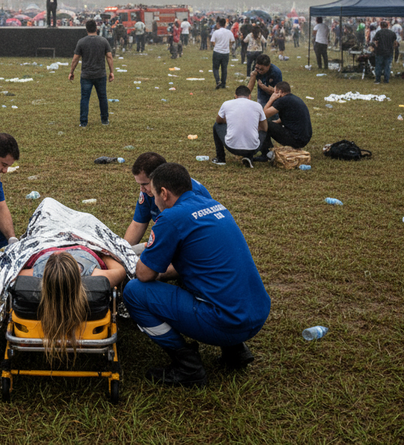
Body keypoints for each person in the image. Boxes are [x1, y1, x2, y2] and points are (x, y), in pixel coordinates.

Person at [123, 162, 271, 387]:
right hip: (257, 313)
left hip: (227, 322)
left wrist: (153, 270)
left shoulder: (170, 218)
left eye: (152, 193)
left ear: (164, 193)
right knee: (205, 274)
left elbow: (144, 274)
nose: (151, 199)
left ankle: (188, 367)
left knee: (134, 291)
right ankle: (234, 350)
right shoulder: (214, 205)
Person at [18, 247, 126, 364]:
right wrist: (104, 254)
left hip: (47, 249)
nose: (60, 251)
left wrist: (25, 255)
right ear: (78, 270)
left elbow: (10, 273)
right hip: (82, 248)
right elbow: (120, 270)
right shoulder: (97, 275)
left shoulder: (33, 274)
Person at [124, 152, 212, 255]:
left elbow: (193, 241)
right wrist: (122, 252)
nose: (142, 189)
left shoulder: (189, 193)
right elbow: (138, 224)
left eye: (144, 184)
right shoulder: (148, 192)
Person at [68, 19, 114, 128]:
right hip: (100, 74)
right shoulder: (103, 41)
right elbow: (109, 57)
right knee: (102, 97)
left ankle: (83, 122)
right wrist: (111, 72)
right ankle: (105, 120)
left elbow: (75, 59)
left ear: (86, 29)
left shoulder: (81, 42)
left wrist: (71, 72)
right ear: (96, 28)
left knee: (85, 98)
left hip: (86, 75)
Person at [212, 85, 268, 168]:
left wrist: (229, 121)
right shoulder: (257, 106)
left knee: (216, 125)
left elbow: (218, 121)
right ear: (249, 96)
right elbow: (264, 128)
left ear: (235, 96)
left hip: (232, 147)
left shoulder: (226, 104)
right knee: (263, 131)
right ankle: (253, 155)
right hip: (254, 148)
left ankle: (221, 158)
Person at [258, 81, 312, 160]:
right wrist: (276, 122)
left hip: (296, 139)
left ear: (280, 92)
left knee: (264, 124)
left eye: (274, 92)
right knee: (271, 124)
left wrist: (271, 99)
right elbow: (290, 116)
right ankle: (268, 151)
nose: (273, 94)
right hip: (304, 137)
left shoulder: (282, 100)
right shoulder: (293, 98)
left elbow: (264, 115)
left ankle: (266, 154)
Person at [211, 18, 234, 90]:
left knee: (215, 68)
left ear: (218, 24)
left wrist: (216, 46)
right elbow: (233, 40)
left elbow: (212, 41)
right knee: (224, 68)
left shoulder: (216, 32)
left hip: (217, 51)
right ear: (225, 24)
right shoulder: (229, 32)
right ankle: (223, 83)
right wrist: (229, 45)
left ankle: (218, 80)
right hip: (225, 52)